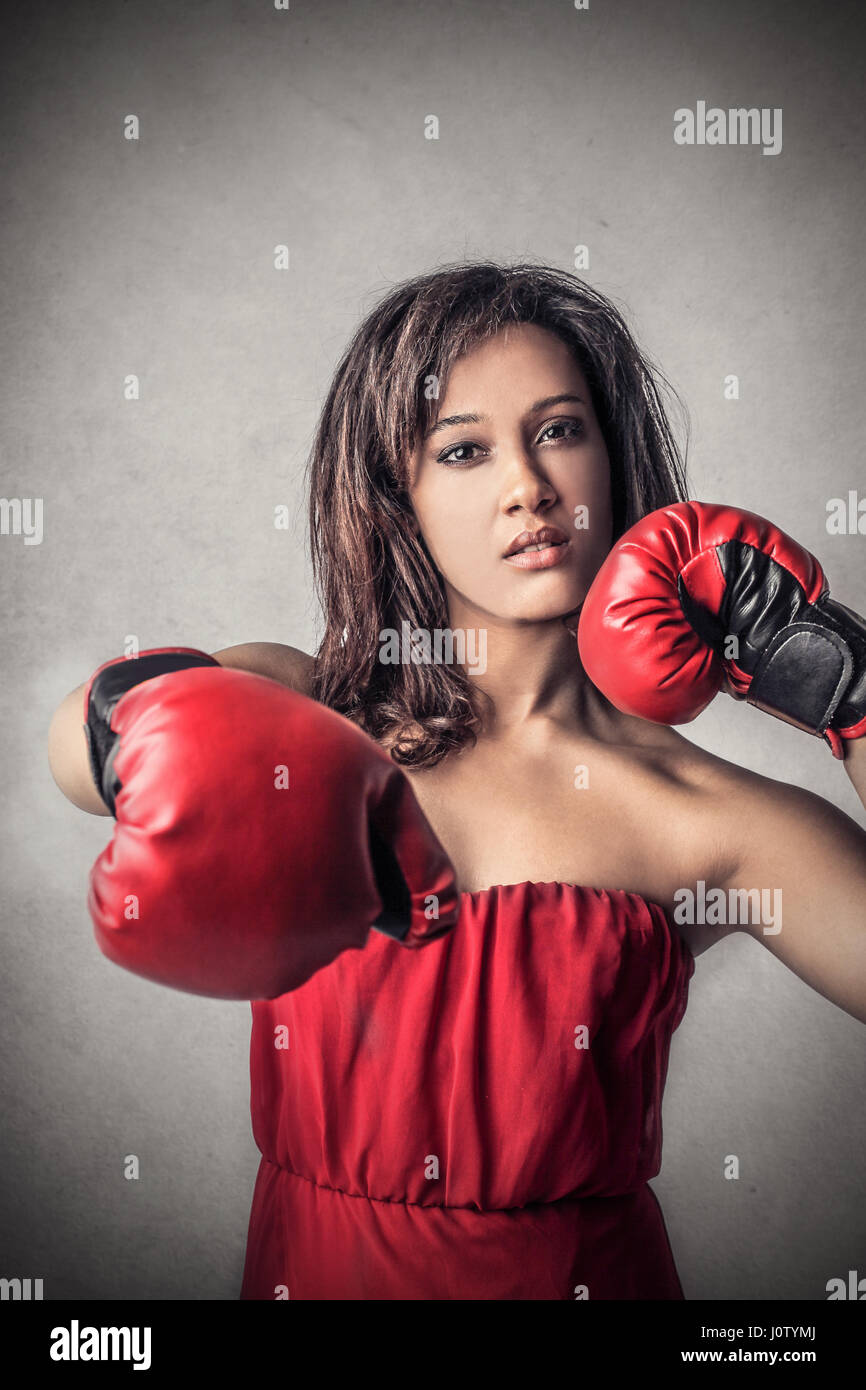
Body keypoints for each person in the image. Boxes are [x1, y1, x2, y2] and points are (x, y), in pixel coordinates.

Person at [48, 261, 866, 1300]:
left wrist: (845, 685)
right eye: (465, 448)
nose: (527, 485)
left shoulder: (705, 818)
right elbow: (72, 747)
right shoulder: (305, 711)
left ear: (613, 459)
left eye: (561, 429)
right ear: (401, 495)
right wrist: (135, 740)